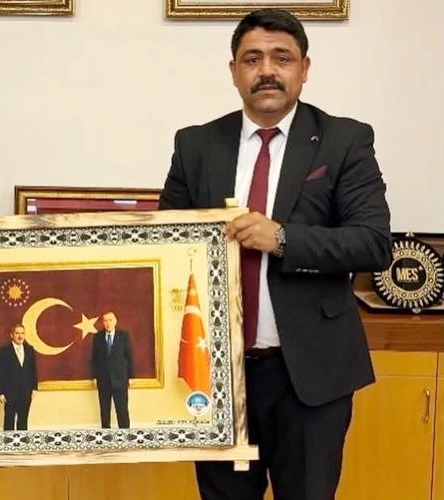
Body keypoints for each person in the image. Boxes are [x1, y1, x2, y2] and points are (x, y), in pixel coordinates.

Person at [158, 8, 392, 500]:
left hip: (309, 376)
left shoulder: (344, 140)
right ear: (233, 71)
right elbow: (166, 245)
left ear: (304, 68)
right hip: (217, 375)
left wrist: (282, 238)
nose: (267, 70)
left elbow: (372, 242)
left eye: (281, 58)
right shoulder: (196, 144)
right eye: (253, 59)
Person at [90, 312, 133, 429]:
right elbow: (94, 359)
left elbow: (129, 357)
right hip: (103, 380)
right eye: (105, 320)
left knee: (122, 410)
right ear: (102, 323)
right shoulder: (97, 337)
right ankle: (106, 435)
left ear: (115, 321)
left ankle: (125, 435)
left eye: (110, 320)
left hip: (120, 379)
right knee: (104, 410)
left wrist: (131, 376)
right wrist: (94, 376)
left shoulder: (123, 336)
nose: (108, 323)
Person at [0, 323, 38, 431]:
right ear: (11, 335)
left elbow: (33, 370)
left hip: (26, 392)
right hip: (9, 393)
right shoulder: (3, 351)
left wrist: (34, 388)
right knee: (9, 421)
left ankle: (22, 441)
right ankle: (9, 441)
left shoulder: (29, 349)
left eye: (22, 333)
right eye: (17, 333)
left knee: (23, 421)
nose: (20, 336)